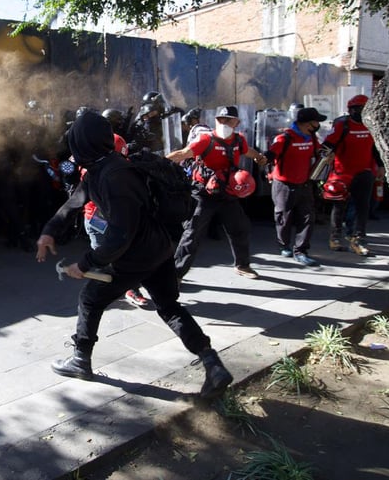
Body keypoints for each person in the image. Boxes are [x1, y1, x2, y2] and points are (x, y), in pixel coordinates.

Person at [36, 111, 232, 399]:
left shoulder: (115, 177)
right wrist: (49, 231)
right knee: (169, 306)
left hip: (135, 256)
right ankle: (212, 363)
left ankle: (80, 360)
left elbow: (120, 235)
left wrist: (86, 263)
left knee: (90, 298)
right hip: (159, 248)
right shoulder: (101, 169)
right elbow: (73, 203)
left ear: (83, 143)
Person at [166, 106, 268, 280]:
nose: (224, 123)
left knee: (239, 228)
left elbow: (247, 150)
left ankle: (242, 265)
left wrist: (258, 156)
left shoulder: (239, 140)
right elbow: (183, 154)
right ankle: (175, 274)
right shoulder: (206, 139)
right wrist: (158, 163)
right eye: (221, 119)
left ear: (237, 122)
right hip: (203, 194)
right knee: (192, 233)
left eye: (228, 120)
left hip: (227, 193)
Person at [321, 94, 384, 256]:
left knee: (363, 207)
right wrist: (324, 156)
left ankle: (358, 239)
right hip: (342, 173)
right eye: (357, 109)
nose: (360, 112)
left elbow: (375, 149)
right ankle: (335, 238)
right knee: (339, 206)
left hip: (365, 172)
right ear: (351, 110)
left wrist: (381, 167)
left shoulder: (371, 125)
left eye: (363, 109)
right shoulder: (343, 125)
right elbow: (327, 144)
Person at [264, 107, 326, 266]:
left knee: (307, 218)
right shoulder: (285, 138)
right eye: (316, 121)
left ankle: (301, 251)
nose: (318, 124)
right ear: (308, 123)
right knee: (283, 218)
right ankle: (284, 245)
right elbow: (271, 154)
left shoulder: (311, 138)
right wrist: (263, 159)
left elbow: (319, 151)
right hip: (283, 185)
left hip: (304, 184)